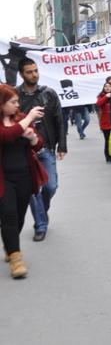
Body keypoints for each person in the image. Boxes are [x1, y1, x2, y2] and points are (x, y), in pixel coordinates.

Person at [17, 57, 67, 242]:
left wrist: (62, 145)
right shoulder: (15, 96)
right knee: (34, 189)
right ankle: (40, 225)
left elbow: (59, 120)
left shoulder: (49, 93)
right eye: (29, 71)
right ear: (21, 74)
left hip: (46, 147)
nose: (34, 74)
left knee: (51, 186)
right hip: (23, 150)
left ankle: (42, 211)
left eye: (35, 70)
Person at [0, 85, 45, 278]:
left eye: (17, 101)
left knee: (18, 216)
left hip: (25, 175)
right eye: (13, 102)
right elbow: (7, 136)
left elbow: (39, 143)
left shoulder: (20, 118)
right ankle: (16, 260)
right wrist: (29, 119)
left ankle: (10, 246)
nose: (17, 105)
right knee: (8, 216)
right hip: (3, 179)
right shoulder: (23, 120)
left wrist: (33, 138)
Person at [95, 82, 111, 163]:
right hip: (105, 123)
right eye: (105, 86)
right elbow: (98, 104)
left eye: (109, 86)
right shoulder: (101, 96)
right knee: (108, 140)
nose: (107, 87)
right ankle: (108, 156)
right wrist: (106, 97)